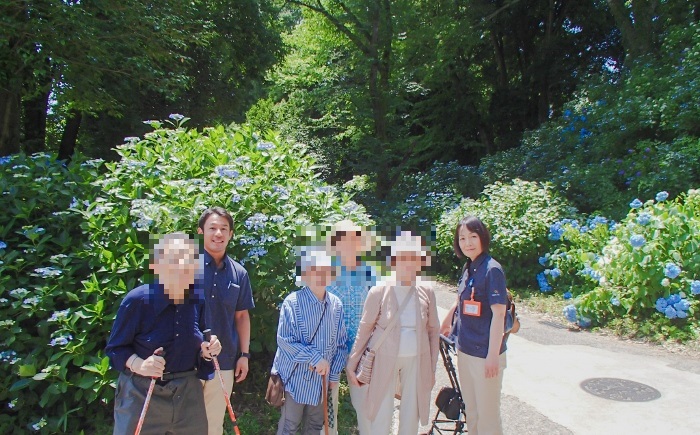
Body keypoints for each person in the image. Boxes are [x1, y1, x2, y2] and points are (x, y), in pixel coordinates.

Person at [105, 233, 222, 434]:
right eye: (174, 260)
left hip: (187, 394)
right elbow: (115, 349)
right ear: (157, 265)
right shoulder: (137, 301)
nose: (182, 267)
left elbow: (202, 339)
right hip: (141, 392)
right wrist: (140, 365)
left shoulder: (197, 299)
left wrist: (207, 349)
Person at [346, 231, 440, 435]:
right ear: (394, 261)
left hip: (417, 358)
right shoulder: (379, 291)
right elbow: (365, 329)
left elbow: (433, 331)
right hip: (383, 358)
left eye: (413, 258)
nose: (408, 264)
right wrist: (352, 364)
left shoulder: (427, 290)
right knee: (381, 410)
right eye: (403, 258)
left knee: (411, 412)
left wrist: (432, 368)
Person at [439, 216, 508, 435]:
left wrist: (493, 356)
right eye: (462, 238)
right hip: (465, 350)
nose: (467, 242)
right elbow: (461, 302)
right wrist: (446, 324)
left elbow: (499, 314)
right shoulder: (468, 268)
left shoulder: (492, 270)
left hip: (485, 354)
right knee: (472, 412)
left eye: (473, 236)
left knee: (488, 417)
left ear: (483, 237)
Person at [273, 246, 348, 434]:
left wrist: (333, 375)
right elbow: (284, 340)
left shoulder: (336, 304)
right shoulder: (293, 302)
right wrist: (315, 358)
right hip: (295, 380)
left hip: (321, 382)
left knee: (315, 427)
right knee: (289, 426)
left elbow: (341, 344)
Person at [196, 207, 255, 435]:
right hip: (186, 362)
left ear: (230, 234)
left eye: (224, 229)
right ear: (201, 232)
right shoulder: (185, 267)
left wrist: (245, 355)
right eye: (212, 228)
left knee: (213, 425)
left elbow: (242, 316)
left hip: (224, 361)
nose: (218, 233)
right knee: (182, 424)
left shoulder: (239, 273)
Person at [325, 219, 378, 434]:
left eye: (353, 239)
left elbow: (380, 309)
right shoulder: (325, 270)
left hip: (362, 348)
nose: (348, 243)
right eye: (342, 238)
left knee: (364, 403)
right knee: (328, 402)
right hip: (330, 346)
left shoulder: (370, 272)